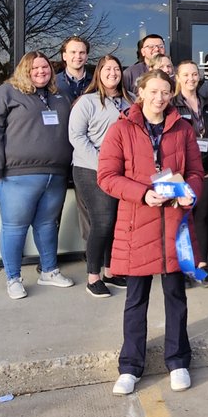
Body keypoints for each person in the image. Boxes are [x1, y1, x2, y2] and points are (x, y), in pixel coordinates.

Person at [97, 69, 203, 395]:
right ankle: (130, 366)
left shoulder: (183, 129)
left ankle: (178, 360)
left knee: (176, 296)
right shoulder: (121, 129)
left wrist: (189, 192)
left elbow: (196, 172)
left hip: (173, 222)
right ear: (140, 92)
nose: (160, 98)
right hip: (136, 222)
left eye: (165, 92)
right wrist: (141, 193)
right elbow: (106, 176)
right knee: (135, 299)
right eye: (153, 91)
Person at [0, 51, 75, 300]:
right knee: (14, 228)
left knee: (46, 225)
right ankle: (13, 278)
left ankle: (49, 271)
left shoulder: (59, 96)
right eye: (35, 68)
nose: (41, 72)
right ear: (24, 70)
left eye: (45, 68)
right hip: (17, 177)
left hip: (55, 174)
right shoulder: (7, 93)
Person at [68, 54, 131, 298]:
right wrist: (103, 164)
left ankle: (111, 272)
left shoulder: (130, 101)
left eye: (116, 68)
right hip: (90, 170)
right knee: (102, 221)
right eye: (107, 69)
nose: (113, 73)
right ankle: (93, 277)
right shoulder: (87, 102)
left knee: (115, 222)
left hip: (121, 174)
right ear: (99, 73)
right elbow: (77, 137)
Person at [172, 60, 208, 287]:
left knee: (201, 218)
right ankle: (183, 267)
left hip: (206, 170)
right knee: (181, 219)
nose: (191, 78)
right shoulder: (172, 105)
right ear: (178, 78)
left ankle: (201, 265)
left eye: (194, 74)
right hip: (181, 172)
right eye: (186, 75)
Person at [56, 35, 93, 102]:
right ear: (64, 56)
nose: (78, 56)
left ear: (87, 57)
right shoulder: (54, 82)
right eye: (73, 52)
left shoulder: (95, 83)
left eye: (82, 52)